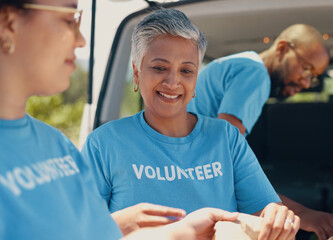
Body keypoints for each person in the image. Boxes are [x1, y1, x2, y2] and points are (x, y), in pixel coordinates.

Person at [0, 0, 240, 239]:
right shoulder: (97, 143)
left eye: (187, 70)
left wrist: (181, 231)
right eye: (69, 19)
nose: (81, 40)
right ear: (8, 22)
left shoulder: (57, 146)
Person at [81, 8, 300, 240]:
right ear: (136, 73)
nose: (173, 82)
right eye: (159, 68)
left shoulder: (226, 137)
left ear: (196, 78)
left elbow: (263, 215)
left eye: (186, 70)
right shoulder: (103, 143)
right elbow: (77, 229)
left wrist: (277, 217)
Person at [186, 24, 333, 240]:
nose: (306, 83)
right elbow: (225, 164)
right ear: (283, 49)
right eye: (306, 69)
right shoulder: (256, 75)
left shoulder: (242, 64)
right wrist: (303, 215)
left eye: (313, 77)